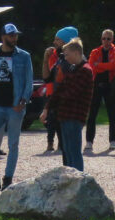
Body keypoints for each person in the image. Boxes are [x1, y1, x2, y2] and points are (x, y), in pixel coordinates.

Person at [0, 24, 34, 192]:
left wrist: (23, 101)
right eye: (11, 35)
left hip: (15, 107)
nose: (14, 38)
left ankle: (8, 178)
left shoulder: (24, 56)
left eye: (15, 35)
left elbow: (29, 81)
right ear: (3, 36)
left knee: (13, 144)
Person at [42, 39, 94, 171]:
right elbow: (59, 90)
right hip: (64, 116)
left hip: (74, 116)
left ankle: (79, 184)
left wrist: (55, 102)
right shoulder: (72, 69)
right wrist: (47, 108)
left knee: (74, 153)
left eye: (67, 55)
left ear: (76, 53)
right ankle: (71, 184)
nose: (65, 58)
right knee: (68, 153)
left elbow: (71, 93)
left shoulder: (85, 70)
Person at [43, 27, 79, 152]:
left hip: (69, 106)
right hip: (57, 100)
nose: (54, 42)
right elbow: (47, 78)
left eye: (57, 40)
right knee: (54, 123)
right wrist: (45, 58)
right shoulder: (60, 58)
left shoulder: (76, 61)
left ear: (66, 42)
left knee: (70, 147)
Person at [87, 29, 115, 151]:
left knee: (112, 114)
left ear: (112, 40)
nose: (106, 41)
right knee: (92, 114)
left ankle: (113, 140)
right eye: (104, 38)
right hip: (96, 85)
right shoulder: (95, 52)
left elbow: (113, 66)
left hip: (110, 85)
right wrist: (104, 66)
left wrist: (99, 65)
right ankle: (89, 141)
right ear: (101, 39)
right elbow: (91, 65)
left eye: (108, 38)